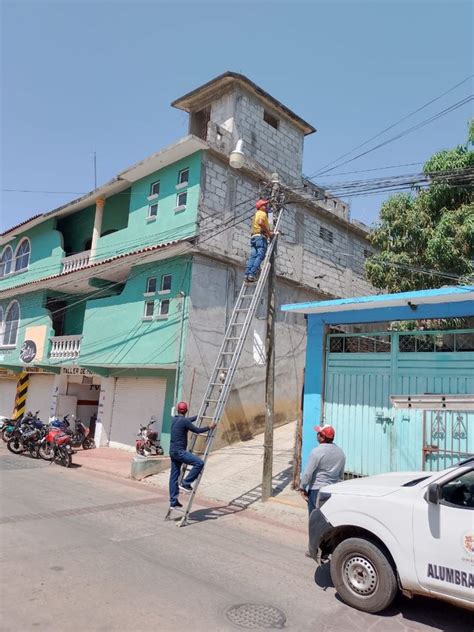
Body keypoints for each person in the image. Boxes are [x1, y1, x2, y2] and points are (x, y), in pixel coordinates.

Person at [168, 401, 216, 509]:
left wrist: (198, 416)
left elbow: (188, 420)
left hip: (172, 452)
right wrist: (210, 427)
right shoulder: (184, 421)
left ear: (177, 410)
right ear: (186, 410)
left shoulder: (175, 419)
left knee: (173, 477)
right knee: (199, 463)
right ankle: (186, 483)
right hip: (180, 452)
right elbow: (197, 430)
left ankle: (173, 501)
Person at [299, 425, 345, 516]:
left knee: (315, 519)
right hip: (332, 491)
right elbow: (340, 475)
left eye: (319, 433)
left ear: (322, 437)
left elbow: (307, 474)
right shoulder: (340, 453)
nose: (317, 435)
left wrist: (302, 487)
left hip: (316, 491)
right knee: (329, 518)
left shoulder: (317, 452)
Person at [245, 199, 274, 282]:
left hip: (254, 237)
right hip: (260, 237)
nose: (266, 207)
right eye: (264, 205)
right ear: (260, 207)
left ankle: (247, 274)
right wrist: (269, 233)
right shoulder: (262, 213)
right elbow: (261, 223)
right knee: (260, 256)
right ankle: (252, 274)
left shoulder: (256, 214)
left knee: (253, 256)